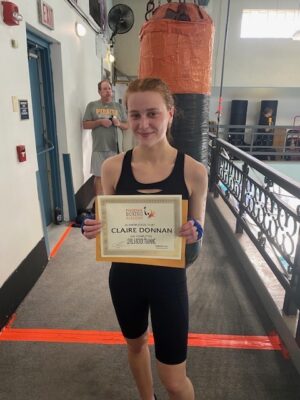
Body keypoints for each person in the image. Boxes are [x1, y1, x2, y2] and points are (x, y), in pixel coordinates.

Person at [82, 78, 208, 400]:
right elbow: (106, 224)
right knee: (135, 345)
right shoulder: (112, 169)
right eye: (135, 115)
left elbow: (195, 242)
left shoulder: (193, 171)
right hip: (125, 279)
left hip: (169, 282)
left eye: (153, 114)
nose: (144, 124)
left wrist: (195, 231)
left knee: (175, 380)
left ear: (170, 112)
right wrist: (94, 228)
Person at [83, 79, 128, 196]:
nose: (108, 91)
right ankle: (98, 204)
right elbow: (85, 124)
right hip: (99, 148)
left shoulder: (118, 107)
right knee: (99, 177)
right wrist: (100, 122)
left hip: (115, 148)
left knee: (116, 176)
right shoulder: (92, 106)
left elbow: (127, 125)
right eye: (104, 89)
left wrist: (118, 123)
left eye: (109, 88)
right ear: (99, 91)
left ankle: (114, 203)